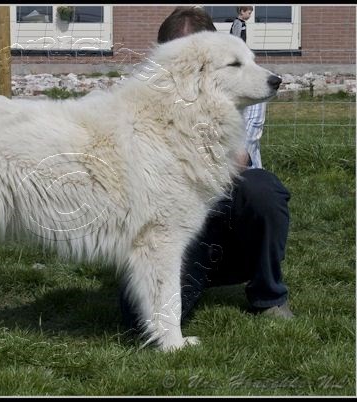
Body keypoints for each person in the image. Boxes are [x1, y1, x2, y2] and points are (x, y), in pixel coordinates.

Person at [119, 6, 294, 333]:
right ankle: (187, 273)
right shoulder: (146, 92)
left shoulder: (243, 87)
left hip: (226, 203)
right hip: (169, 220)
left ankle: (268, 294)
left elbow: (238, 158)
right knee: (138, 325)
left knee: (261, 189)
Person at [230, 5, 267, 169]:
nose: (250, 14)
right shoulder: (238, 23)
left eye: (251, 12)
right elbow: (236, 40)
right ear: (241, 12)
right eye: (248, 12)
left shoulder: (243, 23)